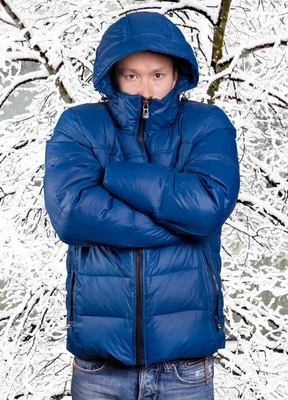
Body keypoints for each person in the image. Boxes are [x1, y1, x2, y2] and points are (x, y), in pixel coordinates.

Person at [43, 11, 240, 399]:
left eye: (157, 75)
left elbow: (207, 206)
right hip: (100, 365)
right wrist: (178, 225)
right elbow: (71, 213)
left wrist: (114, 177)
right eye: (132, 75)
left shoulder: (207, 124)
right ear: (113, 76)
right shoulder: (80, 125)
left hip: (185, 365)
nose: (145, 89)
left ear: (177, 74)